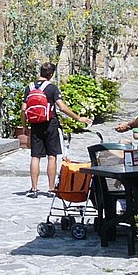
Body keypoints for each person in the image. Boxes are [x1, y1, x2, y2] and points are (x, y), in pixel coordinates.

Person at [27, 62, 92, 198]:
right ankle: (51, 189)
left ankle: (34, 189)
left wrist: (25, 127)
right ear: (51, 74)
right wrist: (78, 118)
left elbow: (23, 109)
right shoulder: (52, 88)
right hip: (50, 124)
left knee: (35, 157)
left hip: (35, 125)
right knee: (52, 156)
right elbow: (61, 107)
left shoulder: (30, 87)